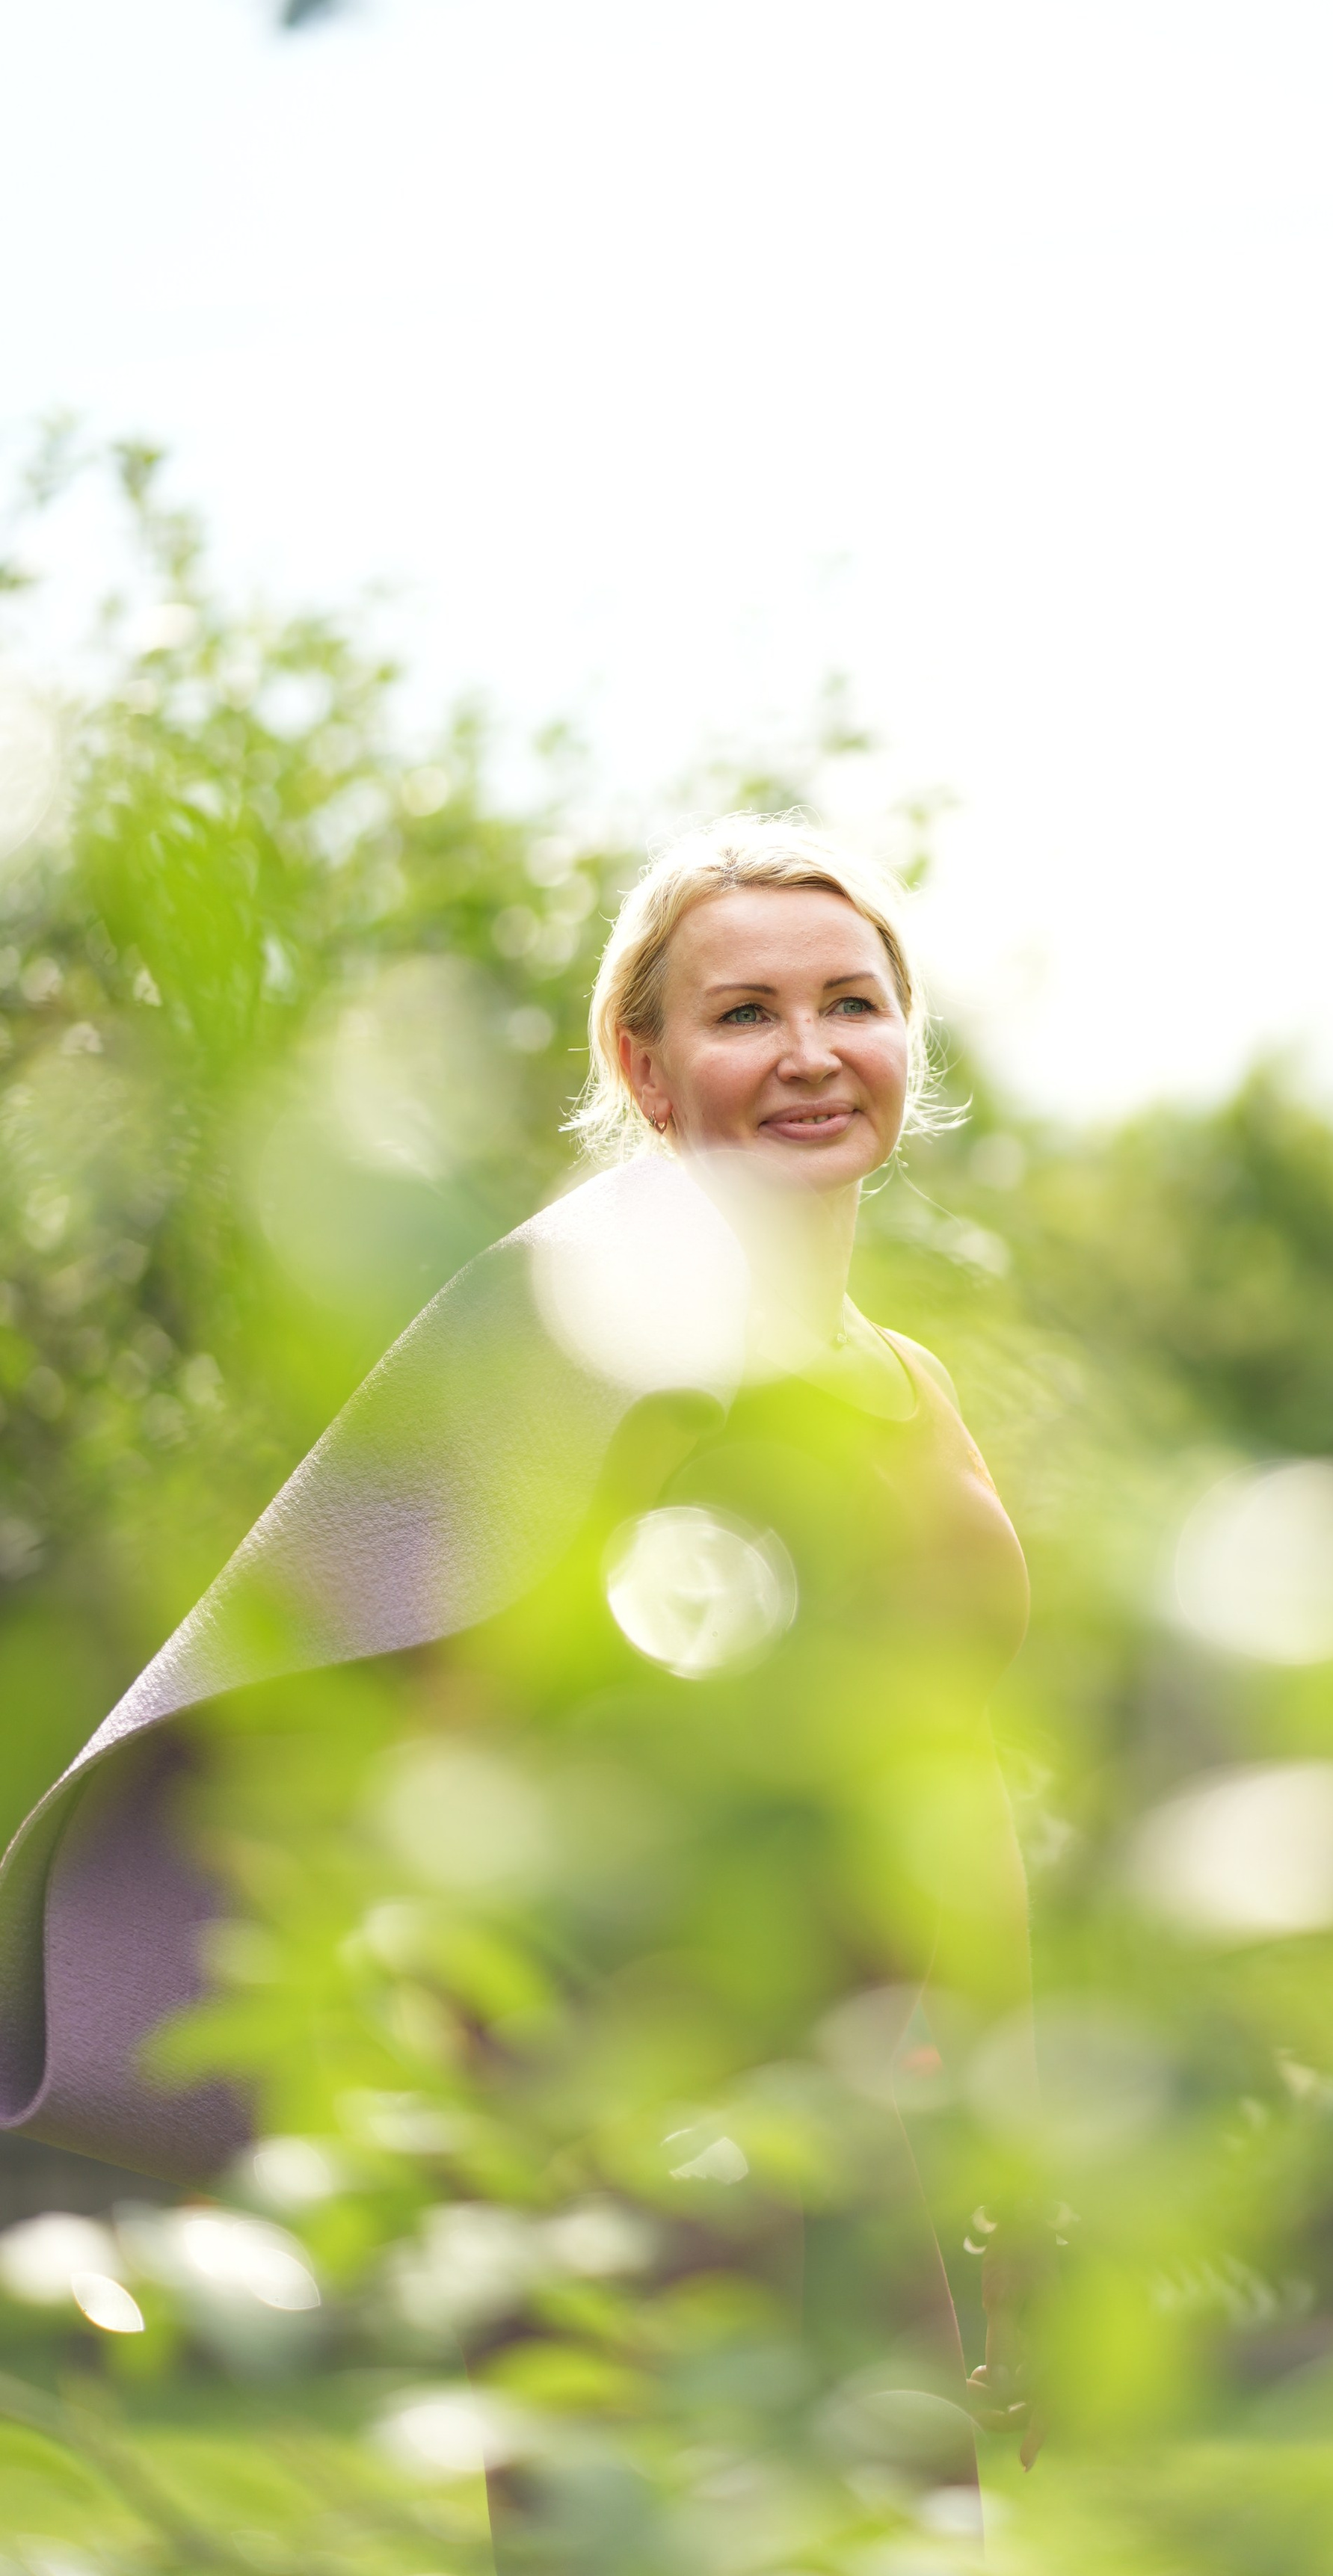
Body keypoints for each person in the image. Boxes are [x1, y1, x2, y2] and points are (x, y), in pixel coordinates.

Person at [0, 811, 1042, 2501]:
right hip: (638, 2130)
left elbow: (956, 1770)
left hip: (885, 2134)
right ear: (644, 1068)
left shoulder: (911, 1385)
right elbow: (433, 1742)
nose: (807, 1054)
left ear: (905, 1047)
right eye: (741, 1015)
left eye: (849, 1004)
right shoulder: (570, 1334)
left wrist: (1009, 2124)